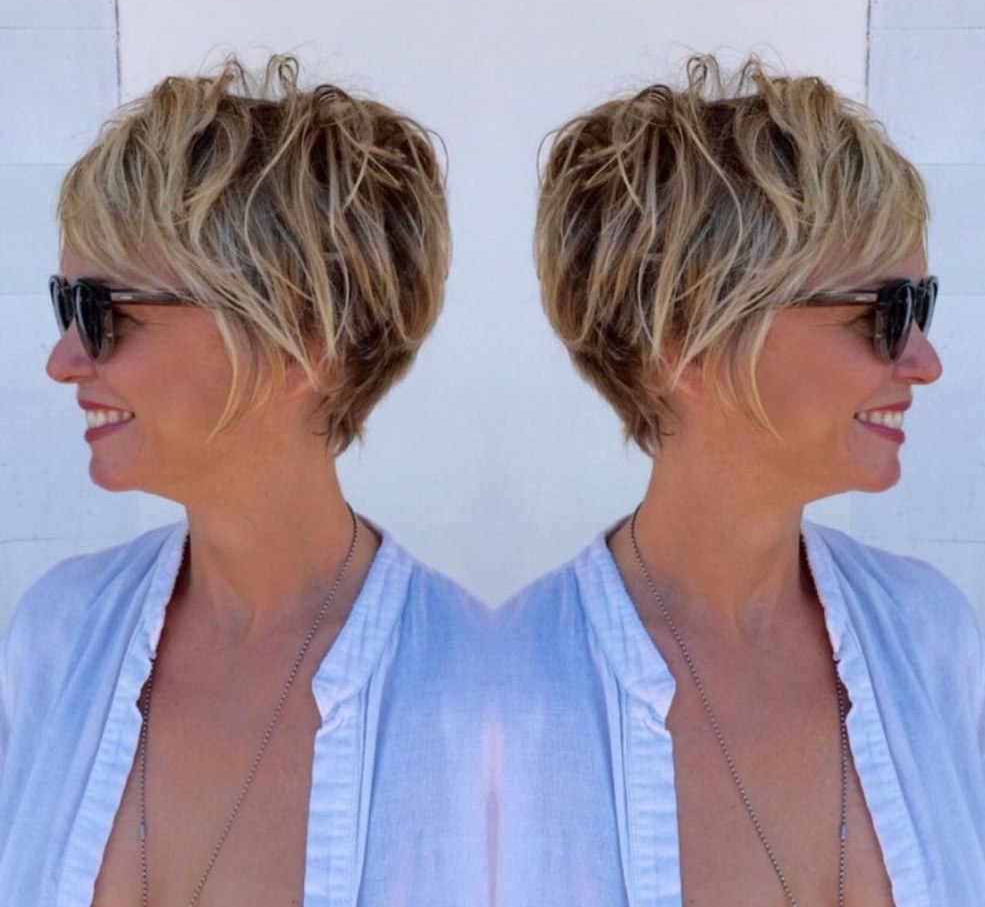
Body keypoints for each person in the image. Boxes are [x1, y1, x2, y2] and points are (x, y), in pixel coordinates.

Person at [0, 57, 489, 906]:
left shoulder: (470, 700)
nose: (62, 358)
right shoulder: (61, 634)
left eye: (102, 312)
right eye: (63, 303)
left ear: (300, 338)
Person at [497, 57, 985, 906]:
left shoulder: (926, 635)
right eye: (884, 313)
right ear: (687, 339)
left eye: (923, 304)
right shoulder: (515, 700)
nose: (924, 359)